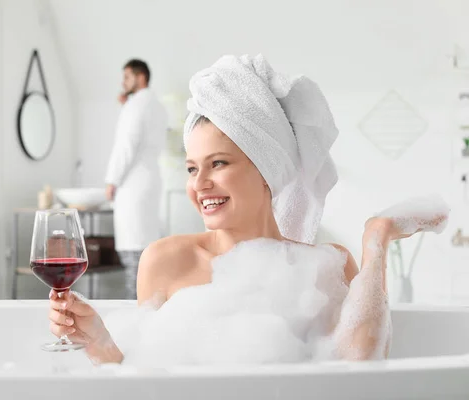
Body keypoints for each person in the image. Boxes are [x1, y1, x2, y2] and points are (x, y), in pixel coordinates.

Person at [49, 55, 446, 364]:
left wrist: (375, 241)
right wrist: (99, 343)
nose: (199, 183)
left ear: (266, 170)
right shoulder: (166, 260)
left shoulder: (327, 267)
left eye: (218, 163)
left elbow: (362, 371)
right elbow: (144, 382)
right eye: (192, 168)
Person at [104, 59, 168, 300]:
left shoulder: (136, 105)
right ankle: (147, 306)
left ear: (141, 77)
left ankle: (135, 309)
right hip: (150, 179)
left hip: (132, 183)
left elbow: (126, 146)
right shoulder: (157, 105)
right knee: (146, 250)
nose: (123, 82)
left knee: (134, 255)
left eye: (127, 77)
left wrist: (112, 180)